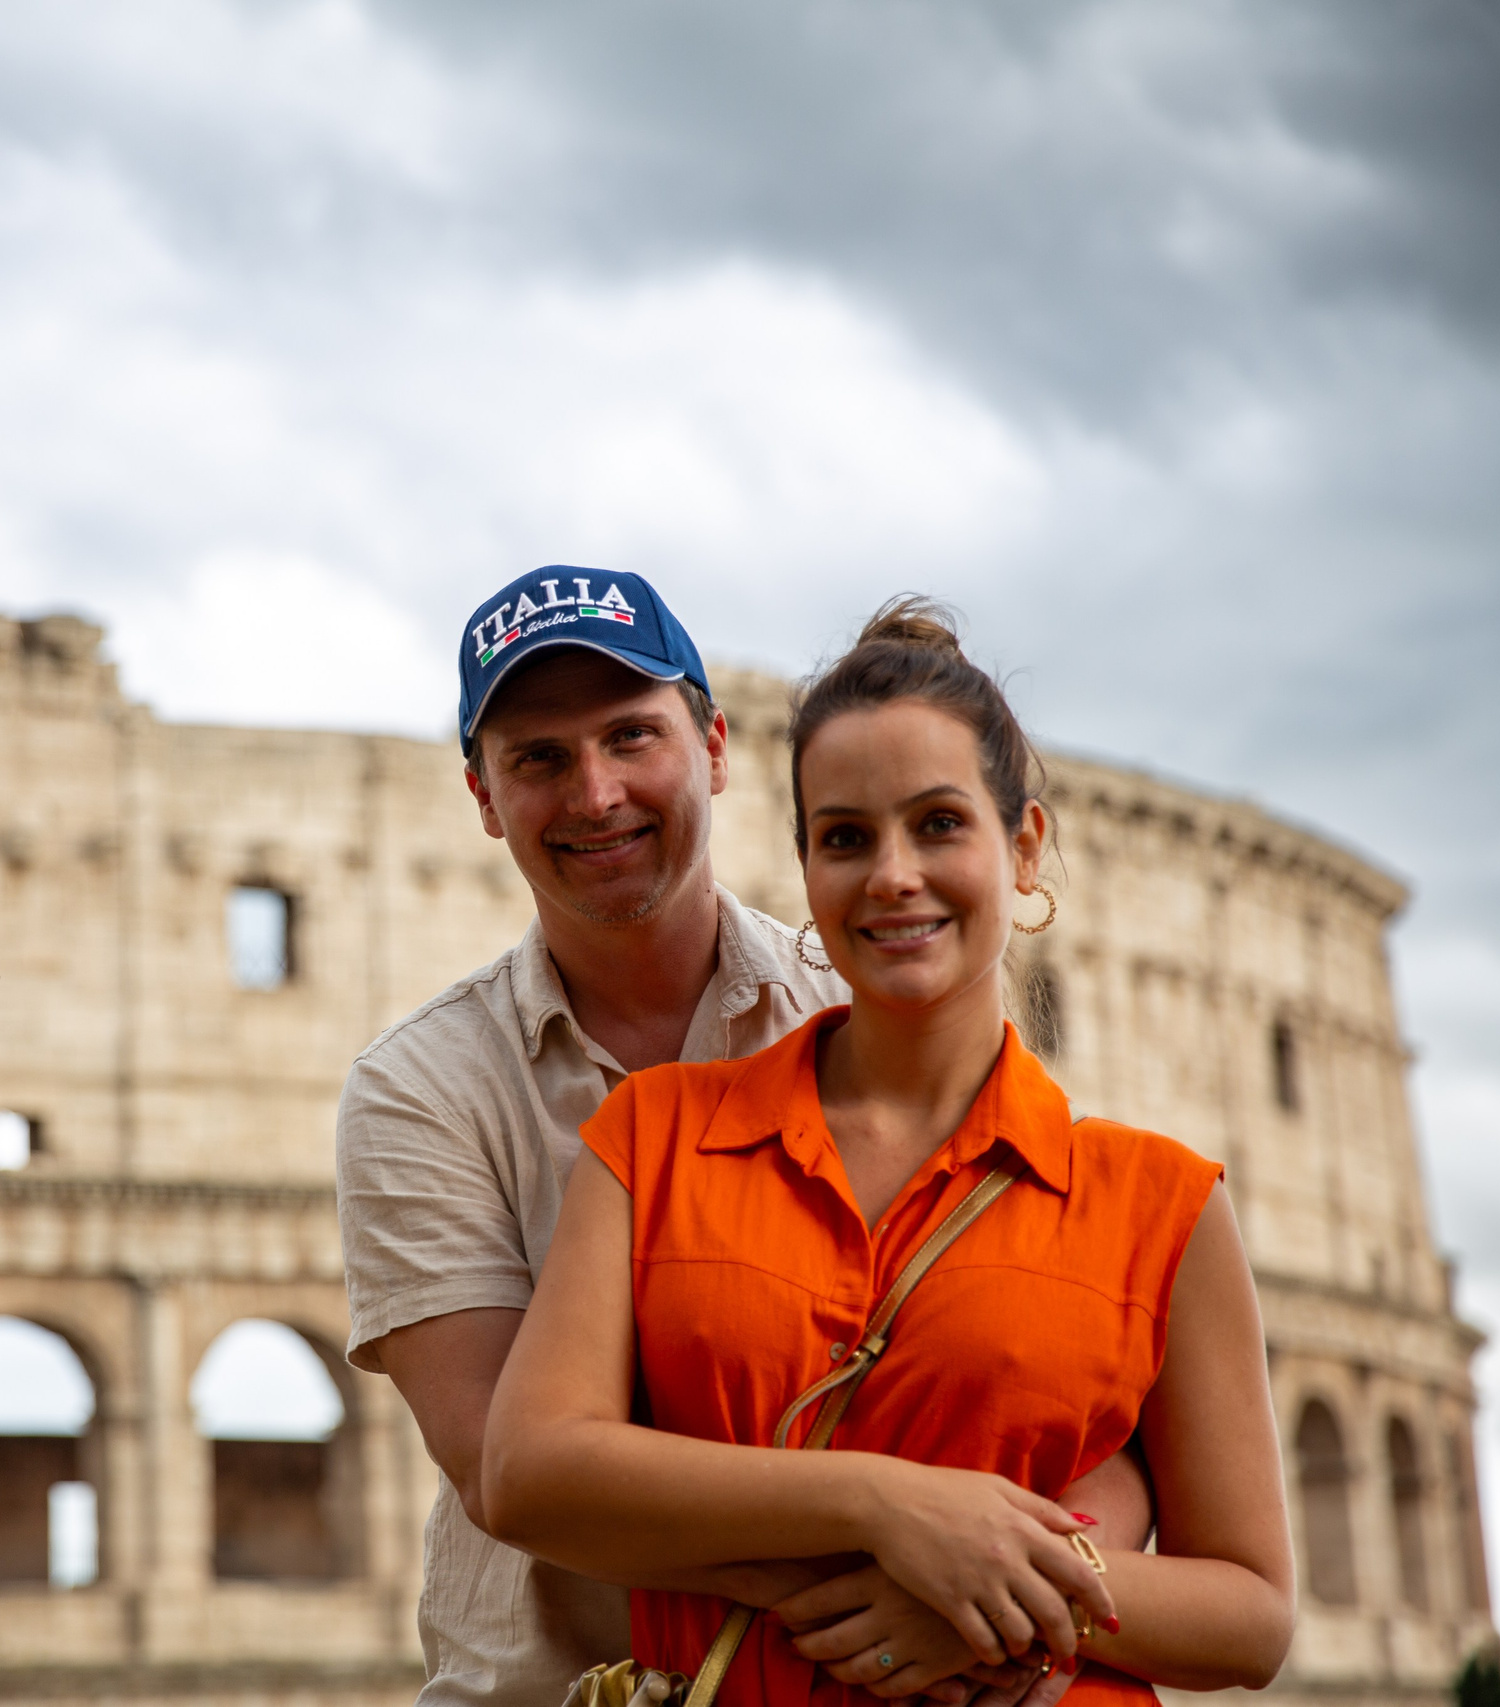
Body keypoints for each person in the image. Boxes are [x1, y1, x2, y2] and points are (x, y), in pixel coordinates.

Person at [336, 571, 1151, 1707]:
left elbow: (1060, 1373)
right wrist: (921, 1576)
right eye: (538, 758)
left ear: (715, 747)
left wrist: (999, 1589)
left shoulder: (870, 989)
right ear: (481, 796)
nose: (596, 792)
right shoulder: (418, 1090)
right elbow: (503, 1474)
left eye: (632, 736)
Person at [478, 599, 1296, 1704]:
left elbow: (1248, 1617)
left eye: (940, 824)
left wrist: (996, 1597)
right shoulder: (650, 1138)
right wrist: (889, 1512)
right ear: (806, 868)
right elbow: (531, 1475)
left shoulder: (1163, 1203)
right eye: (846, 837)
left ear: (1024, 844)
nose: (893, 875)